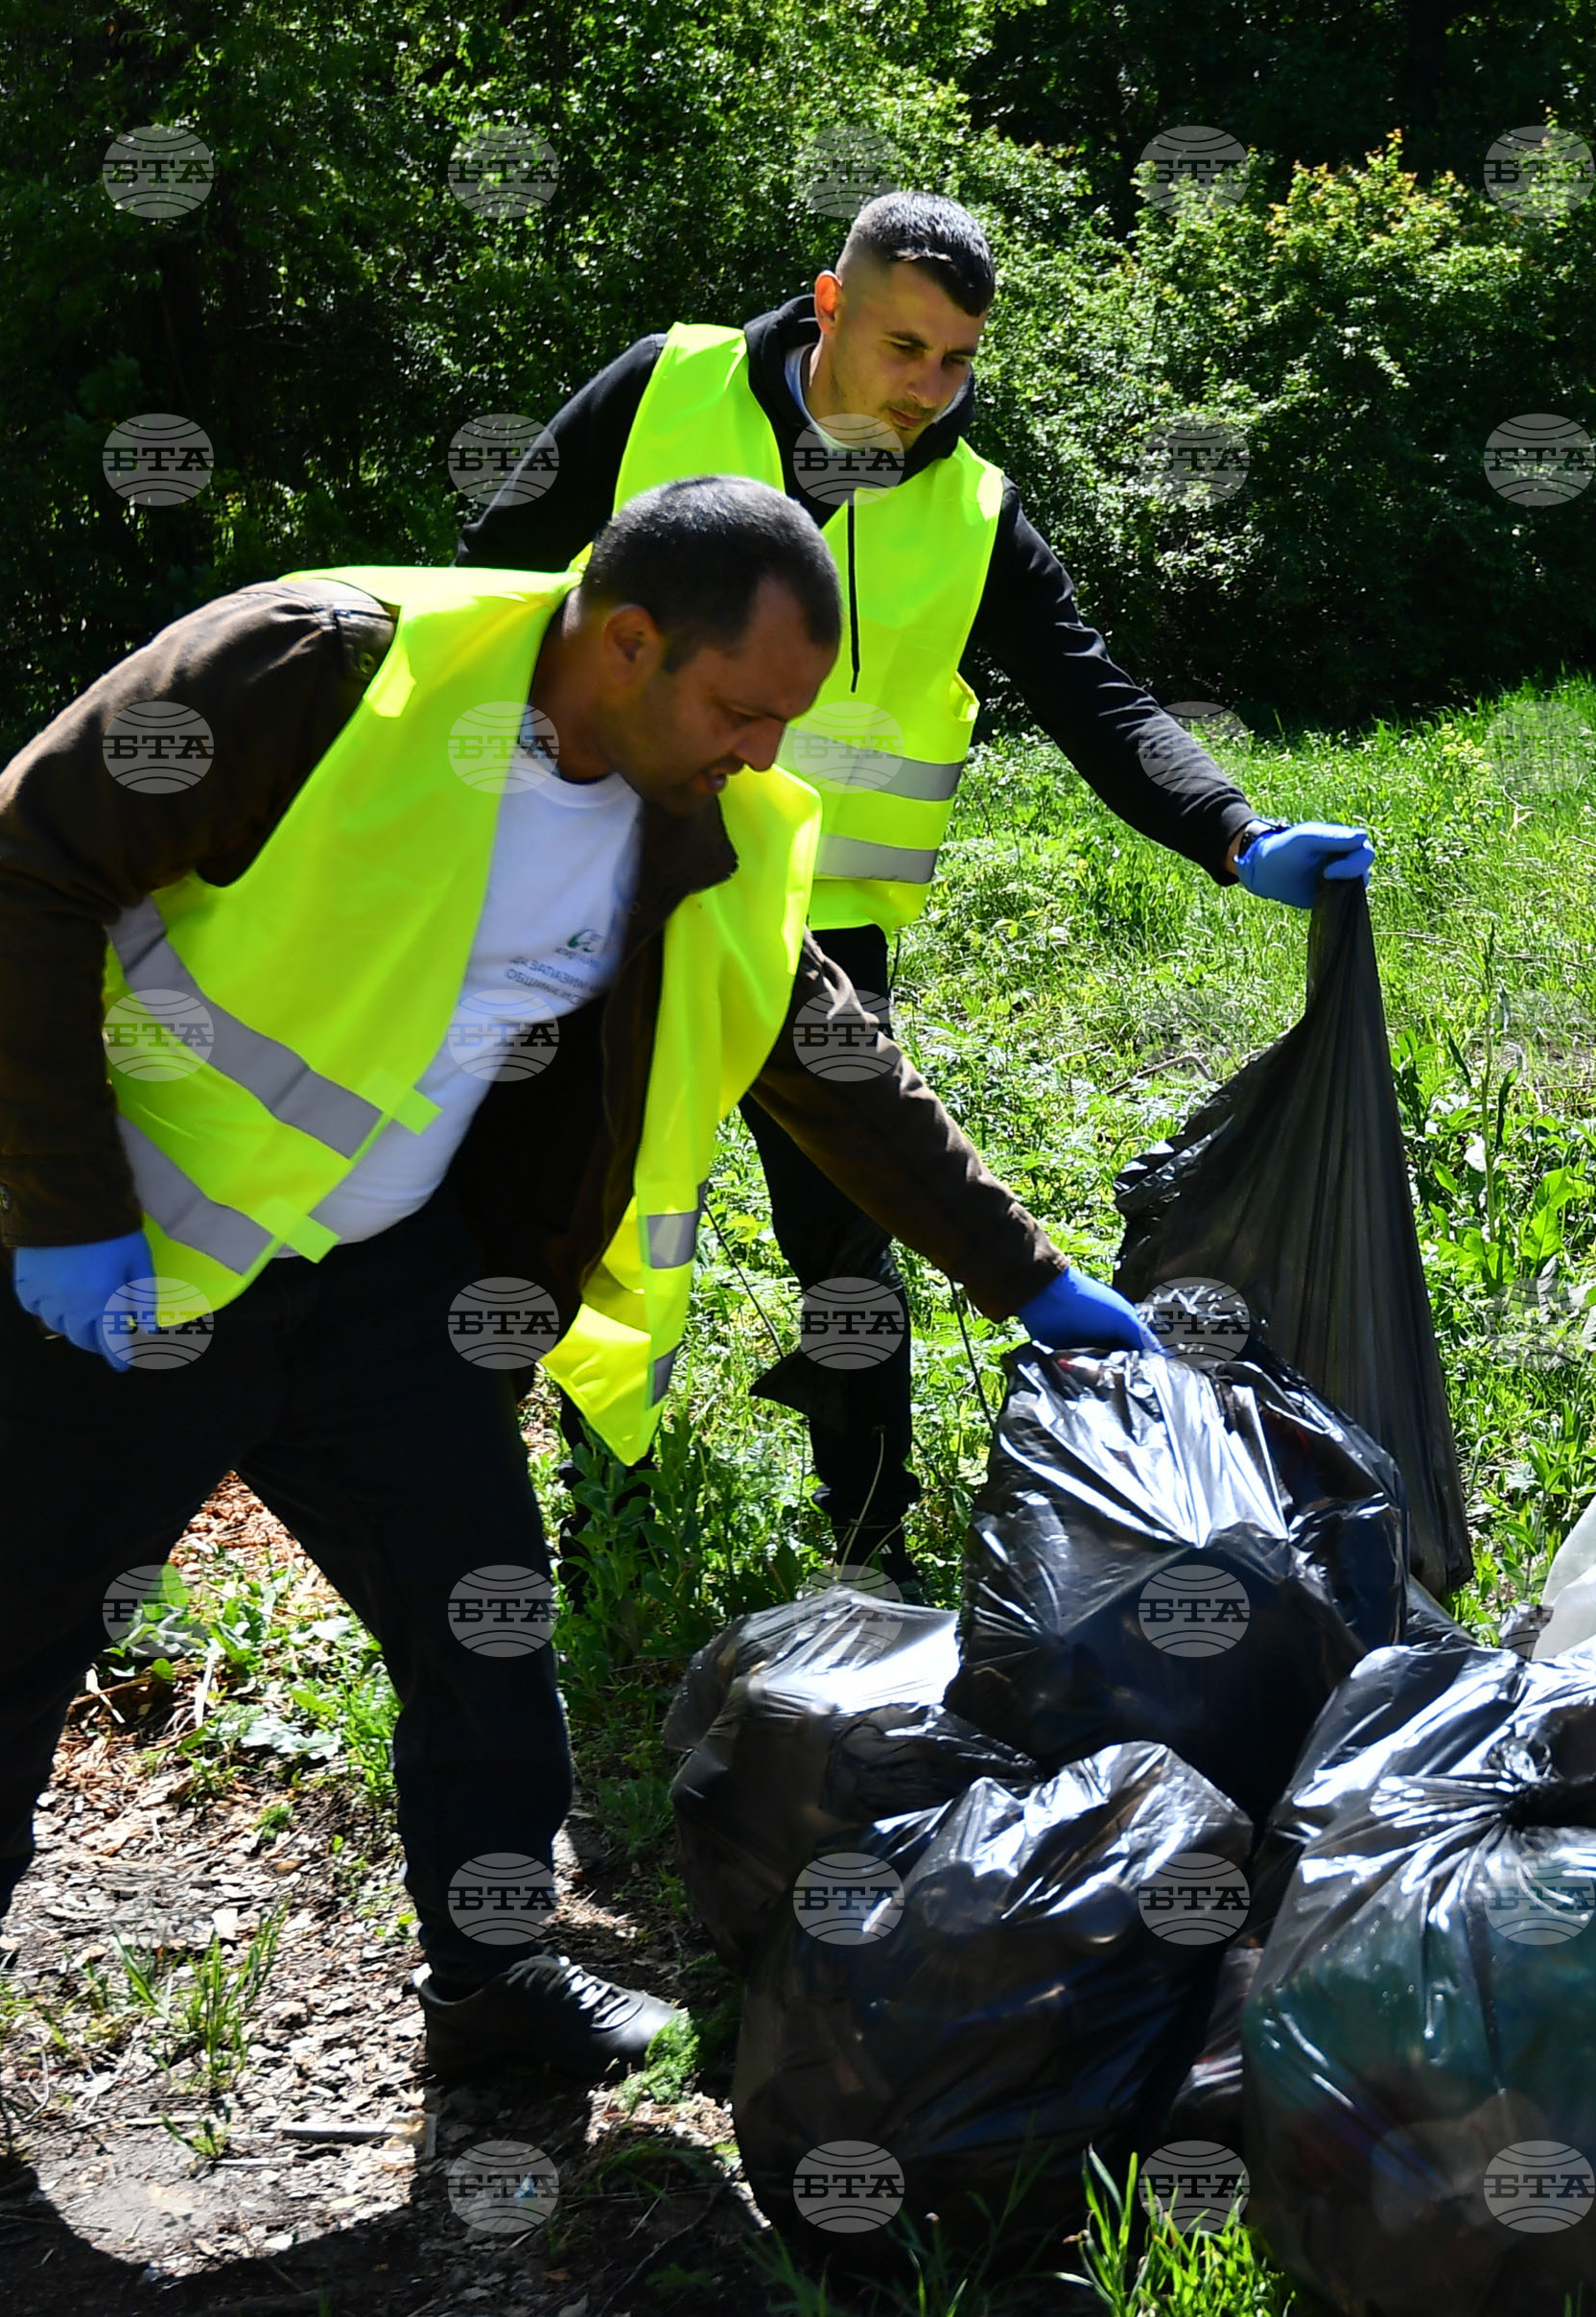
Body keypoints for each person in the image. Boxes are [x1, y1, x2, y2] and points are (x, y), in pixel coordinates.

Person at [0, 474, 1158, 2212]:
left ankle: (490, 1977)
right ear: (627, 640)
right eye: (741, 707)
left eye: (785, 720)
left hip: (376, 1272)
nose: (766, 754)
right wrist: (63, 1201)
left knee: (483, 1616)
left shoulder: (704, 818)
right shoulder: (325, 668)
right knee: (13, 1627)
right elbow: (19, 864)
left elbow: (819, 1052)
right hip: (132, 1258)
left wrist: (1028, 1276)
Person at [460, 190, 1374, 1597]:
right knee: (603, 1202)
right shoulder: (664, 391)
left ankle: (870, 1539)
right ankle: (608, 1537)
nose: (928, 388)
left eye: (956, 360)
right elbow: (488, 581)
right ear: (829, 307)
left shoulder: (972, 510)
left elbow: (1092, 693)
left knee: (852, 1232)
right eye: (903, 347)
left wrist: (1235, 833)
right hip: (610, 884)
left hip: (818, 925)